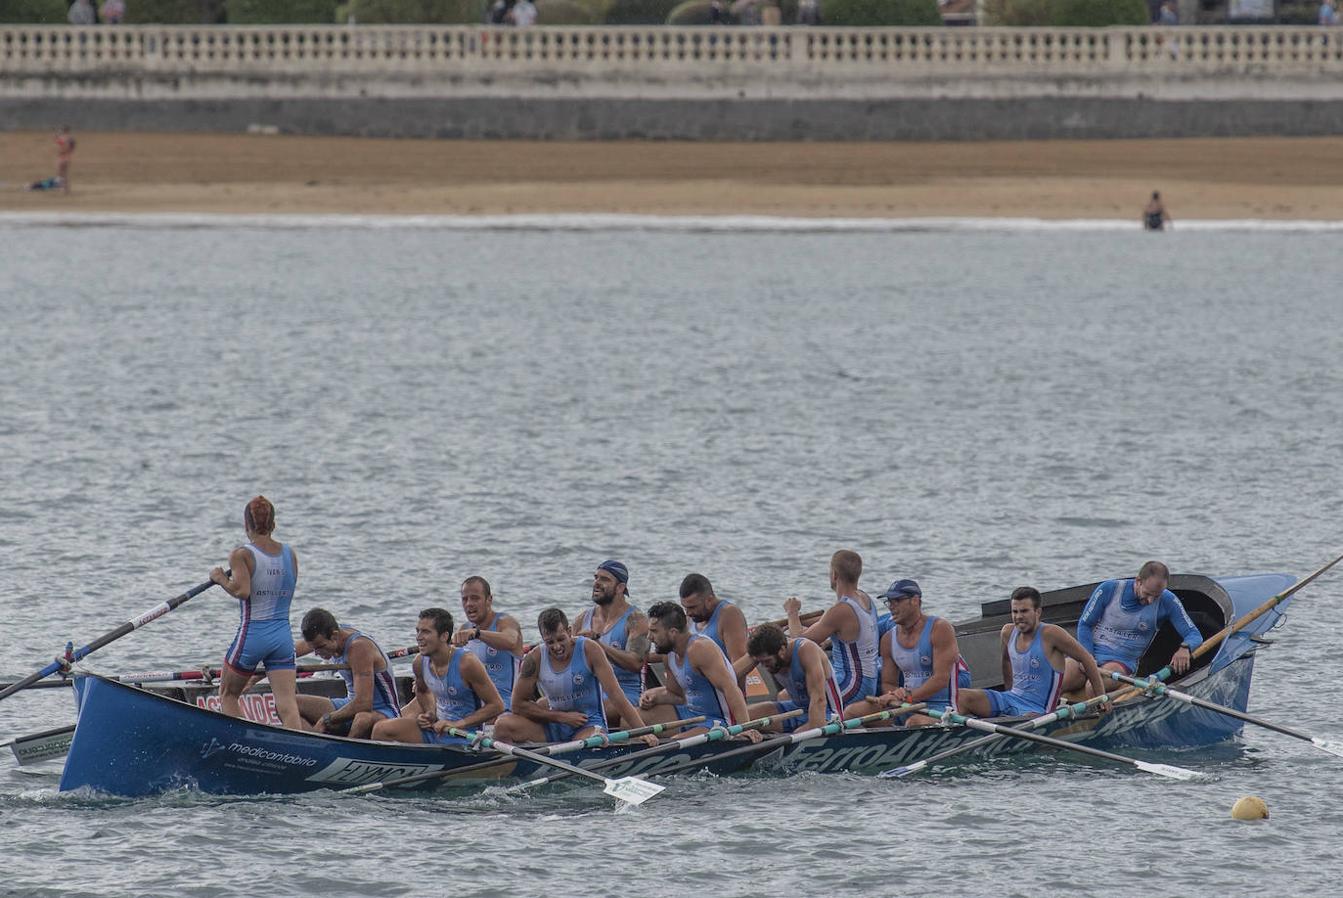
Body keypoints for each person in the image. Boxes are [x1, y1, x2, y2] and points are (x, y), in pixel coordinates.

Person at [493, 609, 656, 745]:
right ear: (543, 639)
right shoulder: (534, 658)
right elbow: (517, 705)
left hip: (588, 724)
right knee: (502, 725)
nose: (556, 647)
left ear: (569, 632)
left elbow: (615, 694)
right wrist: (561, 717)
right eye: (550, 642)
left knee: (586, 743)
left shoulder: (589, 649)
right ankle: (506, 770)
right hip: (554, 724)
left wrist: (643, 731)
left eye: (561, 639)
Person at [207, 496, 302, 730]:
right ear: (273, 525)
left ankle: (242, 747)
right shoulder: (290, 554)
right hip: (282, 636)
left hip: (253, 634)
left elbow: (241, 591)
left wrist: (221, 579)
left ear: (246, 525)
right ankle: (296, 752)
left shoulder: (241, 554)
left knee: (228, 694)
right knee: (287, 704)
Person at [959, 587, 1110, 719]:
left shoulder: (1052, 634)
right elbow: (1006, 661)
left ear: (1038, 612)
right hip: (1010, 699)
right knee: (961, 696)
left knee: (1024, 718)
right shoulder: (1007, 632)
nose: (1018, 617)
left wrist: (1101, 697)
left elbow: (1086, 659)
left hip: (1037, 711)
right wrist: (1009, 690)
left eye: (1024, 611)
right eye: (1015, 611)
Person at [1062, 561, 1204, 694]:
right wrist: (1087, 657)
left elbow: (1194, 634)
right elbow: (1085, 624)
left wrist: (1185, 647)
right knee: (1056, 681)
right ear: (1138, 581)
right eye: (1147, 594)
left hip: (1120, 663)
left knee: (1093, 688)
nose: (1150, 601)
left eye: (1156, 596)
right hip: (1090, 654)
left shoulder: (1168, 601)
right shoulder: (1109, 589)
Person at [371, 608, 504, 744]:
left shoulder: (467, 663)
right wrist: (430, 713)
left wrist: (458, 724)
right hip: (436, 728)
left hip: (464, 735)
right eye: (418, 631)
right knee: (381, 729)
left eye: (426, 632)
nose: (418, 637)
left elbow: (497, 706)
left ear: (444, 636)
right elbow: (422, 691)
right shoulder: (419, 662)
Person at [854, 579, 972, 727]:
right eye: (889, 602)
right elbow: (888, 682)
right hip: (906, 706)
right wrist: (893, 694)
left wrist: (908, 697)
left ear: (915, 600)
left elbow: (940, 679)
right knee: (853, 712)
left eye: (897, 601)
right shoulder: (888, 639)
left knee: (914, 722)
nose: (891, 607)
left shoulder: (940, 629)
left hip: (941, 706)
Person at [640, 602, 761, 741]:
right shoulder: (668, 654)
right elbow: (676, 696)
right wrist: (654, 696)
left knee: (674, 743)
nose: (649, 637)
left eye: (654, 631)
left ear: (673, 632)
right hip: (690, 713)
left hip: (718, 720)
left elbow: (731, 689)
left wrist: (744, 728)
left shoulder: (700, 649)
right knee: (632, 720)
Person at [784, 549, 879, 716]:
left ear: (834, 574)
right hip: (866, 680)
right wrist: (796, 621)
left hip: (852, 685)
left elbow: (799, 640)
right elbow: (827, 622)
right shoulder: (864, 598)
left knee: (801, 702)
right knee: (783, 695)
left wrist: (792, 612)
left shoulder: (841, 610)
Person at [294, 608, 402, 738]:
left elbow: (364, 704)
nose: (316, 653)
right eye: (313, 648)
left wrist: (326, 719)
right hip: (350, 704)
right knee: (290, 704)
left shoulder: (359, 647)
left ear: (334, 636)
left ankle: (342, 751)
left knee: (362, 720)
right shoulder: (324, 636)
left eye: (320, 648)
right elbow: (285, 655)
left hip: (383, 711)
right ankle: (315, 746)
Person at [572, 560, 649, 727]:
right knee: (543, 704)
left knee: (587, 712)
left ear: (620, 588)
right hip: (589, 692)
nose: (596, 583)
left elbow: (635, 662)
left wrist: (598, 646)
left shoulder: (636, 620)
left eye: (605, 579)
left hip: (625, 694)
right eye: (596, 577)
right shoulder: (582, 619)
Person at [738, 623, 841, 733]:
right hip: (797, 709)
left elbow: (819, 700)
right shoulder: (767, 651)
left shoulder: (806, 650)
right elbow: (730, 677)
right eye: (760, 662)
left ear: (782, 650)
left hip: (826, 713)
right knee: (744, 717)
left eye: (767, 661)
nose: (764, 666)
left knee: (797, 734)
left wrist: (808, 733)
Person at [454, 575, 524, 709]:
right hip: (473, 705)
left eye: (475, 598)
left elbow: (511, 641)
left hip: (506, 704)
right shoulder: (464, 629)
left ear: (489, 600)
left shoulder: (505, 622)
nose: (469, 604)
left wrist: (478, 634)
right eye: (465, 599)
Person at [54, 127, 75, 195]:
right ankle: (66, 189)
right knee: (65, 174)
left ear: (64, 131)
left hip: (62, 157)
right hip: (68, 157)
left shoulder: (63, 138)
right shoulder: (71, 138)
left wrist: (56, 135)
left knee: (60, 173)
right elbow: (72, 146)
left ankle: (62, 188)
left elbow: (58, 141)